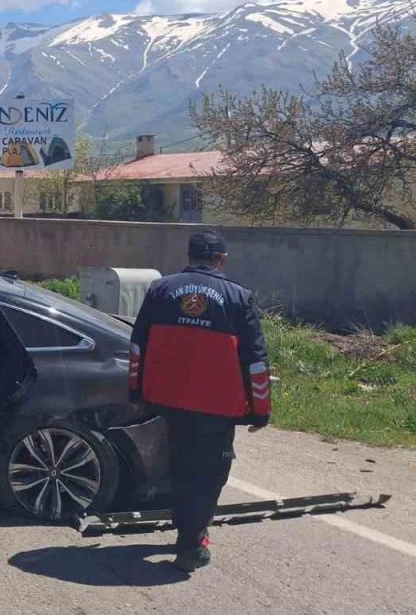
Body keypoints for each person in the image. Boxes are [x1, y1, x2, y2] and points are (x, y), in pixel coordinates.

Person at [129, 230, 270, 573]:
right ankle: (192, 545)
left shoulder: (160, 290)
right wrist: (260, 410)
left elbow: (137, 346)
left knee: (179, 464)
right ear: (222, 259)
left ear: (190, 256)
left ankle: (185, 530)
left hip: (167, 399)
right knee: (208, 474)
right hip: (216, 406)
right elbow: (255, 361)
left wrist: (136, 392)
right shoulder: (239, 297)